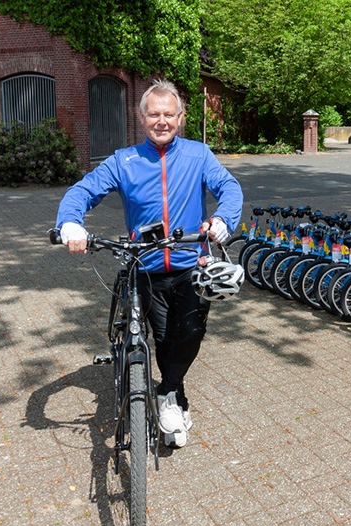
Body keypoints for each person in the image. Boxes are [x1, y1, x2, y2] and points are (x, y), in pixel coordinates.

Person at [55, 78, 243, 447]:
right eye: (154, 114)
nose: (161, 121)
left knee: (189, 334)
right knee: (162, 339)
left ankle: (167, 393)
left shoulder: (198, 155)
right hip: (146, 266)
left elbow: (228, 187)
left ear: (181, 117)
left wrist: (223, 220)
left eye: (168, 114)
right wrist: (71, 222)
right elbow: (83, 190)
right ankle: (174, 396)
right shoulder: (124, 161)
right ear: (141, 118)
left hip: (192, 262)